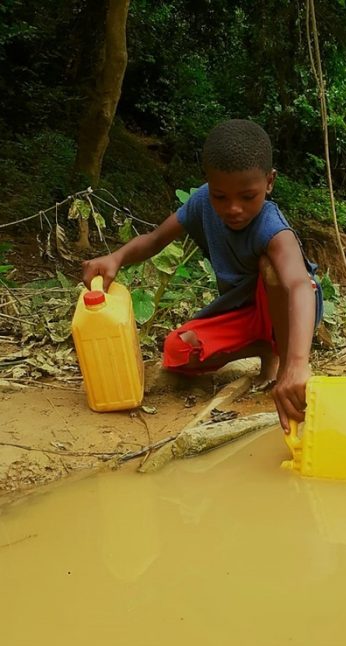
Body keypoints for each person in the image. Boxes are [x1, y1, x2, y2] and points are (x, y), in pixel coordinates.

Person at [82, 119, 323, 432]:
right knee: (179, 350)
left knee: (272, 272)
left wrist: (298, 364)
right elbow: (155, 240)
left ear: (269, 182)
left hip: (288, 307)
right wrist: (116, 257)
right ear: (208, 183)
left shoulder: (272, 227)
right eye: (221, 197)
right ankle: (264, 348)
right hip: (243, 312)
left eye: (247, 196)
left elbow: (299, 285)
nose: (233, 208)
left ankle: (284, 360)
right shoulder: (200, 203)